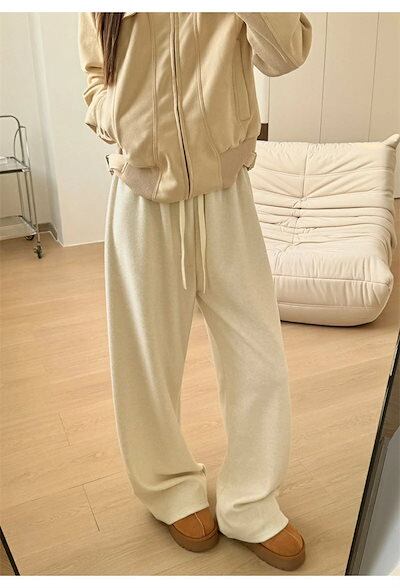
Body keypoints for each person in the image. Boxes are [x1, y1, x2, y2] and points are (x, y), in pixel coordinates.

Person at [78, 12, 312, 572]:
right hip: (142, 193)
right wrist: (125, 119)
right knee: (148, 361)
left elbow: (285, 55)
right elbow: (95, 80)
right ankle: (169, 488)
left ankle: (251, 503)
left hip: (226, 193)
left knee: (259, 359)